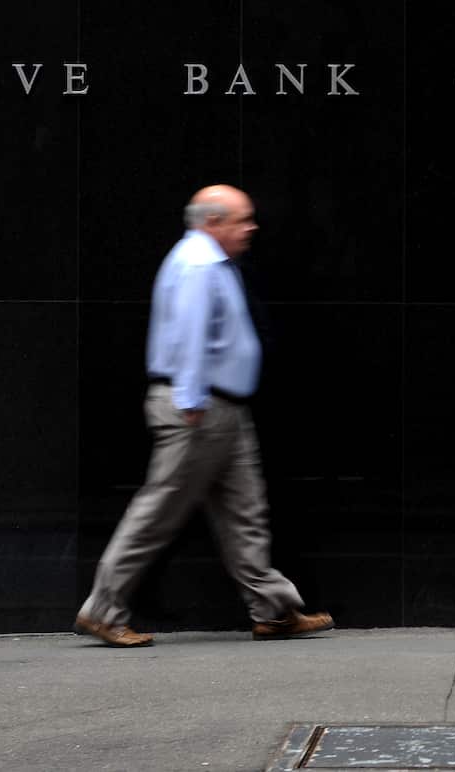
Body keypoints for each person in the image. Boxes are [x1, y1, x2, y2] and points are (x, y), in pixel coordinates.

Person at [75, 185, 334, 647]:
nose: (251, 227)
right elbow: (190, 336)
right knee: (158, 512)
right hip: (199, 408)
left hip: (223, 409)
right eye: (242, 219)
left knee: (244, 513)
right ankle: (103, 609)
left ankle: (274, 610)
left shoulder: (214, 263)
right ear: (213, 222)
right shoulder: (198, 265)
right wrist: (192, 401)